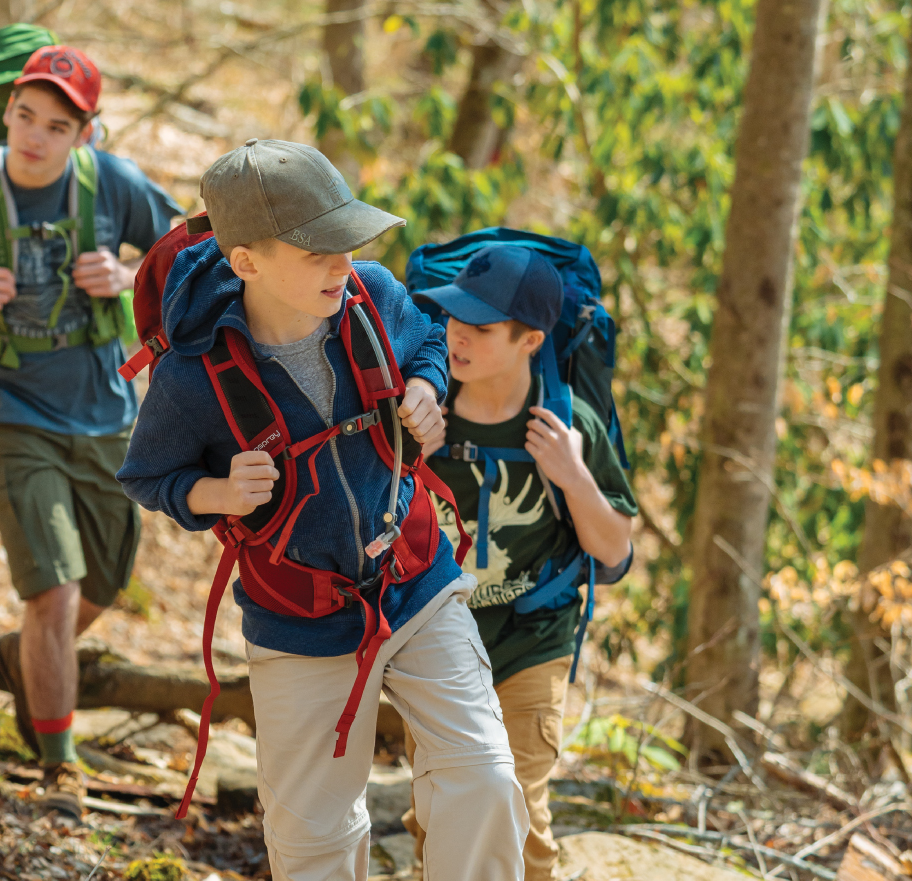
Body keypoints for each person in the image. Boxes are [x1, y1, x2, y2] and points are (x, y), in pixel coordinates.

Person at [117, 138, 528, 880]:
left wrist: (427, 389)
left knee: (486, 778)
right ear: (246, 262)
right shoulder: (193, 373)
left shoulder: (370, 296)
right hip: (298, 618)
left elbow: (428, 342)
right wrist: (215, 493)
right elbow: (148, 477)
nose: (342, 264)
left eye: (345, 242)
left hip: (415, 582)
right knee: (312, 843)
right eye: (316, 253)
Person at [0, 44, 183, 817]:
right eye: (24, 115)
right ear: (10, 110)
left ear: (84, 134)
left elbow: (183, 243)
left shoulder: (111, 184)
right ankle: (59, 763)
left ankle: (24, 658)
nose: (33, 136)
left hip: (104, 405)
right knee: (53, 590)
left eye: (56, 125)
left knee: (105, 581)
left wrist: (125, 276)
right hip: (7, 406)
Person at [407, 245, 638, 880]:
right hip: (435, 640)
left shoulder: (566, 422)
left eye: (480, 329)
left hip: (533, 637)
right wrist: (407, 452)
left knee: (517, 802)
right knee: (441, 807)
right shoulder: (424, 405)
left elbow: (615, 551)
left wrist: (573, 476)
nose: (456, 336)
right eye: (453, 319)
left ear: (531, 339)